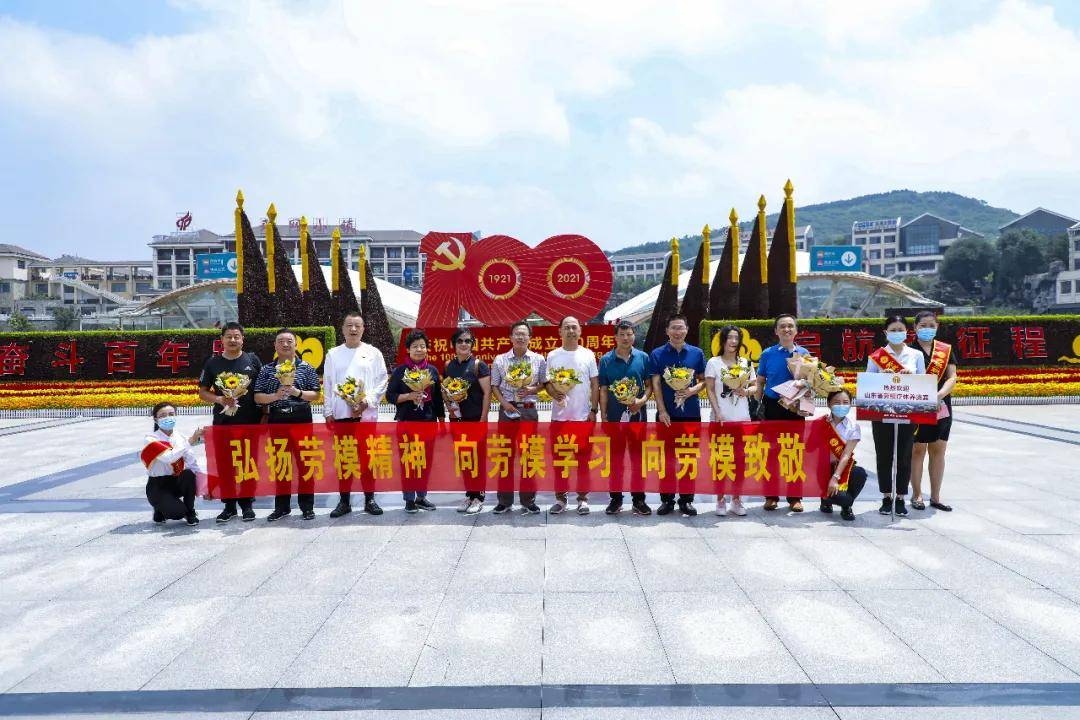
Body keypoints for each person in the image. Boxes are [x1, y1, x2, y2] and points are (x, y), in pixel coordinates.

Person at [323, 312, 388, 518]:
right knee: (344, 459)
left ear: (363, 329)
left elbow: (382, 381)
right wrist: (328, 411)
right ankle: (344, 501)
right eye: (349, 325)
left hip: (366, 416)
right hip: (342, 415)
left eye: (357, 326)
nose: (353, 329)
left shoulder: (373, 353)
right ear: (342, 329)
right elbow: (329, 383)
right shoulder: (333, 354)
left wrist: (366, 401)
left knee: (368, 459)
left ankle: (370, 499)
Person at [253, 328, 322, 522]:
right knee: (281, 464)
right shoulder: (267, 369)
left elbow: (316, 394)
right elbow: (257, 396)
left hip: (301, 419)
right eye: (281, 341)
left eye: (289, 341)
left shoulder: (306, 367)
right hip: (278, 419)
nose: (285, 344)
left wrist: (296, 392)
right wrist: (275, 396)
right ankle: (282, 507)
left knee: (305, 464)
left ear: (296, 345)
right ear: (275, 345)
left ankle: (307, 507)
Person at [197, 321, 262, 523]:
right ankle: (229, 506)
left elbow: (261, 390)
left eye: (237, 336)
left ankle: (247, 505)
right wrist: (219, 399)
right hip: (224, 423)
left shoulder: (252, 360)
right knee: (225, 464)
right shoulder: (212, 363)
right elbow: (202, 392)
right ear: (222, 340)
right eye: (229, 337)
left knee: (247, 463)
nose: (233, 340)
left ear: (243, 339)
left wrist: (265, 415)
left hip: (250, 422)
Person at [866, 314, 926, 517]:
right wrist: (882, 377)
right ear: (885, 333)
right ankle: (885, 496)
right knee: (884, 454)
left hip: (907, 411)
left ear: (907, 332)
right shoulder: (877, 356)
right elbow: (868, 384)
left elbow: (924, 382)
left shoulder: (916, 355)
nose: (896, 333)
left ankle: (900, 497)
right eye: (892, 330)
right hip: (882, 410)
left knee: (904, 455)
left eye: (900, 329)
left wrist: (912, 378)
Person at [649, 313, 706, 517]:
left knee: (688, 457)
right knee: (666, 459)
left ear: (687, 330)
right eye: (673, 328)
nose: (677, 331)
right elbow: (656, 383)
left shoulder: (697, 353)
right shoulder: (657, 354)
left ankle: (686, 500)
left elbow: (704, 380)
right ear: (667, 331)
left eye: (681, 327)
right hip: (667, 416)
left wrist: (691, 390)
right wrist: (662, 410)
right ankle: (667, 500)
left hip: (691, 414)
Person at [489, 321, 546, 515]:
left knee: (529, 455)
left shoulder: (538, 360)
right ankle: (504, 501)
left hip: (528, 410)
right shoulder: (500, 360)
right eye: (516, 334)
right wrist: (504, 403)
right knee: (505, 455)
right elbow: (494, 385)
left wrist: (531, 388)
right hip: (506, 411)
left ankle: (528, 500)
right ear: (510, 337)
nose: (520, 337)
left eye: (524, 334)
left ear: (530, 337)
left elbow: (543, 384)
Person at [754, 313, 810, 513]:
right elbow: (760, 380)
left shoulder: (804, 353)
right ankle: (771, 496)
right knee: (771, 452)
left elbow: (810, 381)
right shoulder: (768, 354)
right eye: (782, 326)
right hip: (772, 406)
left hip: (794, 408)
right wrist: (757, 404)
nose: (787, 329)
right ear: (776, 331)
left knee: (794, 451)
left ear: (796, 331)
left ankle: (795, 497)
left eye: (790, 326)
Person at [386, 329, 445, 513]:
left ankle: (421, 496)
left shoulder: (433, 371)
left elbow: (437, 399)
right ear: (408, 350)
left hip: (428, 422)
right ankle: (409, 499)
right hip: (406, 422)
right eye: (415, 346)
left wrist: (442, 421)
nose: (419, 349)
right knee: (408, 461)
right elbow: (390, 396)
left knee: (425, 461)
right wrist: (409, 396)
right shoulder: (401, 371)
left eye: (422, 346)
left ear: (427, 349)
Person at [545, 315, 599, 515]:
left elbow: (595, 384)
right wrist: (554, 393)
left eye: (573, 327)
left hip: (583, 417)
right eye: (566, 327)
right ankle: (560, 498)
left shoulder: (588, 355)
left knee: (583, 460)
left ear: (580, 331)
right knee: (560, 460)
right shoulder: (552, 355)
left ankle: (583, 498)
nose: (570, 331)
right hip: (559, 418)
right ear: (559, 331)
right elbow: (548, 383)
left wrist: (594, 410)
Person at [597, 320, 652, 516]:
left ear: (633, 336)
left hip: (637, 417)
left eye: (629, 334)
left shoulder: (643, 358)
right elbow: (603, 389)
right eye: (622, 334)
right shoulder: (605, 360)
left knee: (638, 459)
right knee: (615, 460)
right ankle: (616, 499)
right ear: (615, 337)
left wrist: (642, 400)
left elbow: (649, 384)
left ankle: (639, 499)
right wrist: (603, 416)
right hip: (614, 418)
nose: (626, 338)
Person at [909, 310, 957, 512]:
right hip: (917, 406)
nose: (927, 329)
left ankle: (936, 497)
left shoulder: (945, 350)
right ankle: (917, 494)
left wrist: (938, 396)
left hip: (941, 405)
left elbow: (951, 377)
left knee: (938, 450)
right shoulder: (909, 350)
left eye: (931, 325)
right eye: (923, 325)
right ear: (915, 328)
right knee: (917, 450)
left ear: (937, 327)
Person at [703, 324, 753, 517]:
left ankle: (737, 499)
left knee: (740, 460)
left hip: (741, 419)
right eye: (729, 338)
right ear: (723, 341)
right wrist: (717, 412)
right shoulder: (714, 363)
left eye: (736, 338)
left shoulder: (745, 363)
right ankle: (720, 499)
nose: (733, 341)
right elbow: (709, 390)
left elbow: (754, 387)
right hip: (720, 420)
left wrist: (745, 391)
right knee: (720, 460)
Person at [444, 327, 492, 515]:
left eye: (467, 341)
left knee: (477, 459)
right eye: (460, 341)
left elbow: (487, 393)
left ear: (472, 344)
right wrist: (449, 407)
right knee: (464, 458)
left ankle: (479, 497)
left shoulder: (479, 365)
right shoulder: (449, 365)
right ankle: (469, 494)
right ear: (454, 345)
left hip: (475, 418)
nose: (464, 344)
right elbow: (446, 389)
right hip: (458, 419)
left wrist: (483, 418)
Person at [141, 402, 204, 526]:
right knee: (177, 513)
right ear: (155, 419)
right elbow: (169, 457)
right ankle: (160, 508)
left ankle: (190, 511)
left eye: (171, 414)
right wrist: (190, 441)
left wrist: (204, 487)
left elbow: (192, 464)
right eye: (163, 415)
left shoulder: (180, 437)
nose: (168, 418)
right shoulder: (151, 439)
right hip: (157, 485)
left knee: (189, 474)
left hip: (176, 481)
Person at [818, 389, 867, 521]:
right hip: (823, 469)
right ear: (828, 404)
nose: (841, 406)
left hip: (842, 469)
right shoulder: (821, 423)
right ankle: (826, 500)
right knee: (835, 494)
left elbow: (846, 455)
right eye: (837, 402)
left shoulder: (853, 427)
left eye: (845, 402)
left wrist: (835, 478)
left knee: (860, 473)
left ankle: (846, 506)